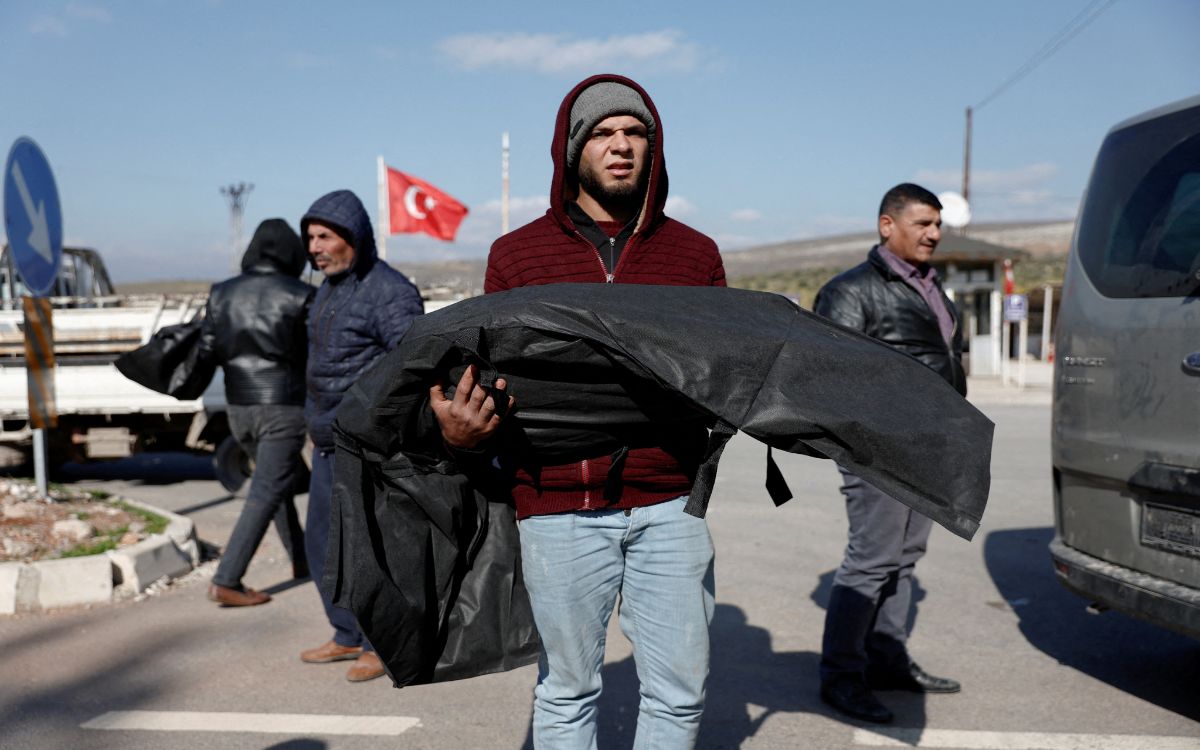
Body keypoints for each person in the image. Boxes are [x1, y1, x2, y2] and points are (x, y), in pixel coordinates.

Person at [431, 74, 725, 749]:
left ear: (654, 148)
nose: (620, 145)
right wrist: (461, 433)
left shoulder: (694, 256)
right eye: (602, 132)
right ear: (572, 150)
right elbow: (490, 377)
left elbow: (718, 373)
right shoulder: (517, 256)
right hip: (556, 504)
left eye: (635, 132)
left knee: (679, 694)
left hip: (670, 505)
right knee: (566, 692)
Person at [812, 183, 965, 724]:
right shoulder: (850, 291)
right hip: (878, 451)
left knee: (905, 559)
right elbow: (834, 379)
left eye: (938, 224)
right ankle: (841, 675)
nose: (934, 234)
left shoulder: (931, 286)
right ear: (887, 226)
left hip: (931, 445)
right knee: (871, 560)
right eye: (923, 223)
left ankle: (887, 659)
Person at [298, 190, 424, 682]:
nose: (315, 247)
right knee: (323, 545)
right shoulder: (327, 289)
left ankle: (380, 642)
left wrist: (385, 430)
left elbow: (414, 362)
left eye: (325, 236)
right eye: (310, 237)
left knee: (371, 551)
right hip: (329, 442)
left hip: (370, 445)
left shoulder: (389, 291)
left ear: (353, 237)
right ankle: (347, 634)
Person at [199, 218, 311, 608]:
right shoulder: (300, 295)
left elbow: (209, 349)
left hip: (238, 407)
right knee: (266, 490)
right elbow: (312, 355)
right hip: (283, 405)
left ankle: (300, 558)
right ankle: (227, 579)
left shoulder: (221, 293)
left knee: (273, 482)